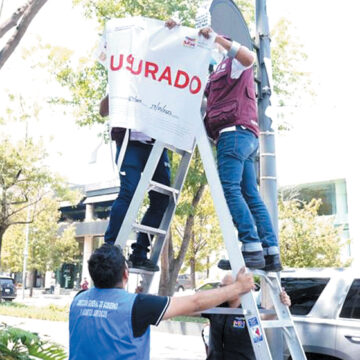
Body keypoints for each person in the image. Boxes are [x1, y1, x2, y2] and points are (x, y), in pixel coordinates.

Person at [69, 243, 255, 360]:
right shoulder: (137, 305)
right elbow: (195, 302)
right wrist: (238, 287)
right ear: (126, 274)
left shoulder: (78, 300)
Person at [198, 26, 282, 271]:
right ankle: (270, 252)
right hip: (245, 137)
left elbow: (248, 57)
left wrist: (218, 38)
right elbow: (201, 96)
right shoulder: (216, 75)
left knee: (230, 190)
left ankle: (251, 246)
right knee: (251, 195)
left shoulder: (233, 62)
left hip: (233, 134)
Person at [98, 20, 180, 272]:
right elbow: (103, 111)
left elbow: (179, 56)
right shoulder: (126, 76)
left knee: (162, 199)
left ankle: (140, 250)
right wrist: (118, 89)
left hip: (156, 144)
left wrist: (173, 31)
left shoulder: (163, 77)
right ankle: (110, 246)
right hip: (131, 143)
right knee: (130, 191)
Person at [202, 272, 291, 360]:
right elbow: (194, 308)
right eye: (220, 286)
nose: (222, 290)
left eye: (226, 287)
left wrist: (281, 304)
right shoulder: (216, 308)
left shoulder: (250, 310)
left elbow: (265, 316)